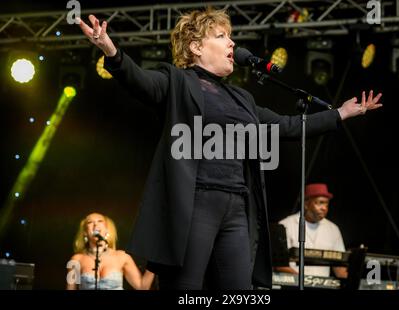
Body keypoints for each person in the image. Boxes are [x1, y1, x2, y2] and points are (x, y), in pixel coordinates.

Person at [76, 8, 381, 289]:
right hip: (196, 203)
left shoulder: (242, 99)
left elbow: (288, 126)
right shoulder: (177, 81)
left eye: (230, 36)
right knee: (187, 289)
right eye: (221, 36)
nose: (232, 43)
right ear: (196, 47)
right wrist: (109, 49)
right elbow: (138, 80)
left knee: (240, 291)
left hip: (237, 206)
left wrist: (340, 114)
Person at [66, 212, 154, 290]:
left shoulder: (122, 256)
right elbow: (70, 288)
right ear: (85, 232)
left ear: (107, 229)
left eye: (100, 221)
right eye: (90, 222)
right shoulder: (75, 260)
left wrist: (154, 261)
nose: (95, 224)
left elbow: (142, 287)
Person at [278, 183, 348, 279]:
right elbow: (279, 264)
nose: (324, 208)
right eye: (320, 202)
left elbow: (339, 267)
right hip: (293, 286)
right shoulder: (286, 225)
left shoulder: (333, 229)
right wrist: (303, 281)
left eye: (326, 203)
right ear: (306, 204)